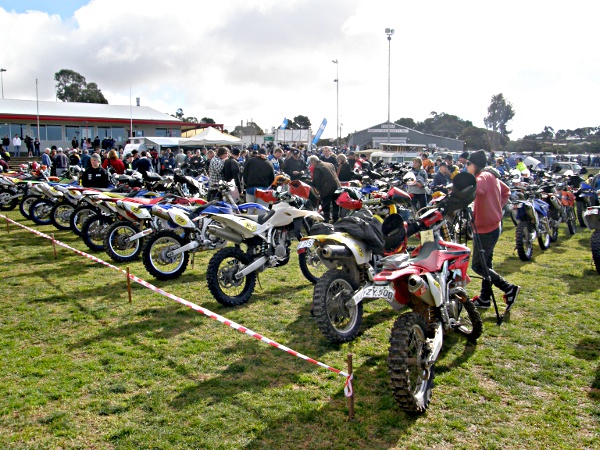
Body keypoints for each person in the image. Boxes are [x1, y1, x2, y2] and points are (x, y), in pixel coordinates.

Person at [467, 150, 520, 311]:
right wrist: (496, 207)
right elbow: (506, 191)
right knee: (486, 264)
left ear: (475, 165)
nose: (466, 167)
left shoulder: (482, 177)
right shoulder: (492, 176)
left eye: (468, 164)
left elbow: (477, 190)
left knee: (477, 265)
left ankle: (508, 288)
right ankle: (484, 299)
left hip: (485, 229)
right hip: (491, 226)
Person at [308, 155, 341, 223]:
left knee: (326, 203)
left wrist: (311, 184)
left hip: (327, 188)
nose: (311, 165)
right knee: (335, 203)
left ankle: (326, 218)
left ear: (313, 162)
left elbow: (317, 180)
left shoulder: (318, 168)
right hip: (337, 186)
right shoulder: (329, 164)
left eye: (311, 163)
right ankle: (335, 218)